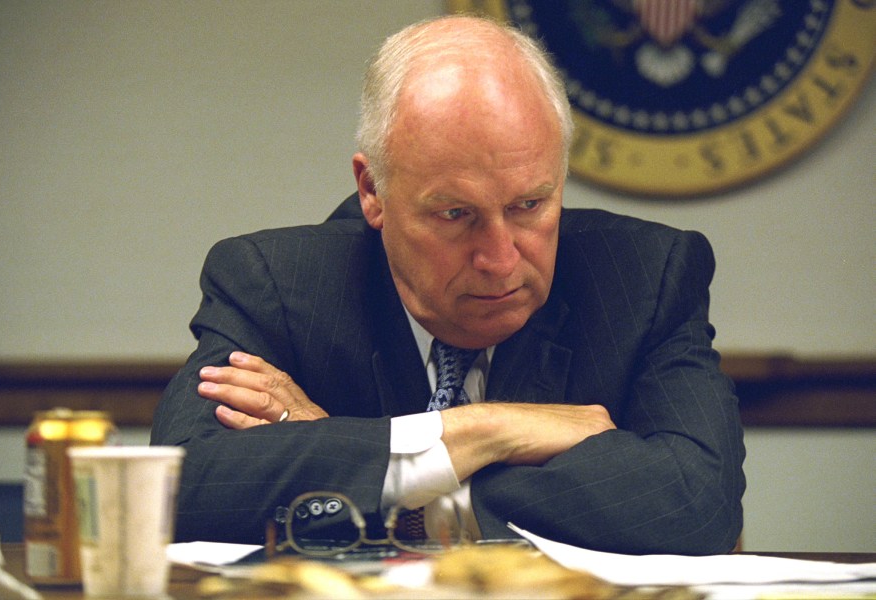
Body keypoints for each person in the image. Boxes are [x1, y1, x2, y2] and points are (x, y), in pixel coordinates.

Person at [151, 14, 745, 555]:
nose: (500, 257)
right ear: (372, 192)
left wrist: (368, 461)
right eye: (455, 214)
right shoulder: (275, 284)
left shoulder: (645, 277)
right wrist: (485, 429)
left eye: (530, 205)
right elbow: (183, 489)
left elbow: (698, 507)